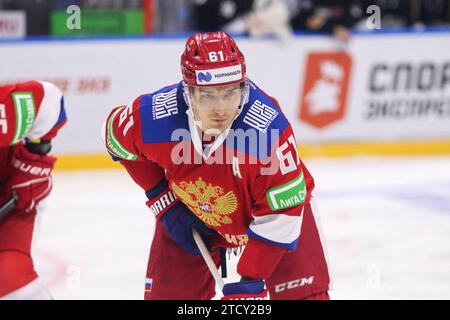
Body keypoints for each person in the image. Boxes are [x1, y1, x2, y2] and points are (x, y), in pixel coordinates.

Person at [103, 31, 330, 300]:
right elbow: (115, 138)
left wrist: (250, 279)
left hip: (276, 222)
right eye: (208, 96)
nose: (221, 108)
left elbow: (285, 210)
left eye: (230, 93)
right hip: (192, 212)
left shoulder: (267, 131)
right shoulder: (154, 117)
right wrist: (161, 197)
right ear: (188, 92)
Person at [0, 80, 67, 299]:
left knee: (10, 276)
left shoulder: (4, 109)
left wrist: (32, 161)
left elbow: (48, 100)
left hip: (11, 202)